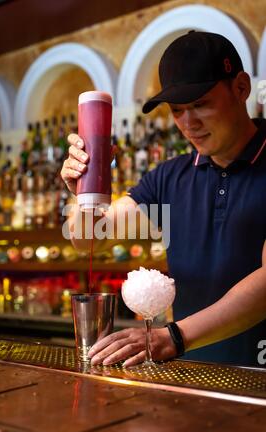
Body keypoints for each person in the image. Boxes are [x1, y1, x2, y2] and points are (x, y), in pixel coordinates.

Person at [61, 30, 266, 368]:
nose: (189, 123)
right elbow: (89, 239)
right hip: (191, 380)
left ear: (241, 88)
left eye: (200, 104)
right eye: (177, 110)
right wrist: (84, 193)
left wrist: (174, 336)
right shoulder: (169, 177)